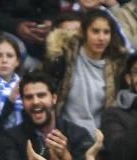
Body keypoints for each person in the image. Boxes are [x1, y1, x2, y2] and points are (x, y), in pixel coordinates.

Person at [0, 70, 95, 160]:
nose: (35, 101)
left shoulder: (78, 135)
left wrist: (67, 159)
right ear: (22, 102)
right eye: (29, 97)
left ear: (54, 98)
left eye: (41, 95)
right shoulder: (10, 138)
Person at [45, 9, 127, 138]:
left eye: (106, 32)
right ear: (84, 32)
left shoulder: (118, 66)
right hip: (64, 135)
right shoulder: (64, 58)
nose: (101, 38)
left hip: (99, 140)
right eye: (95, 31)